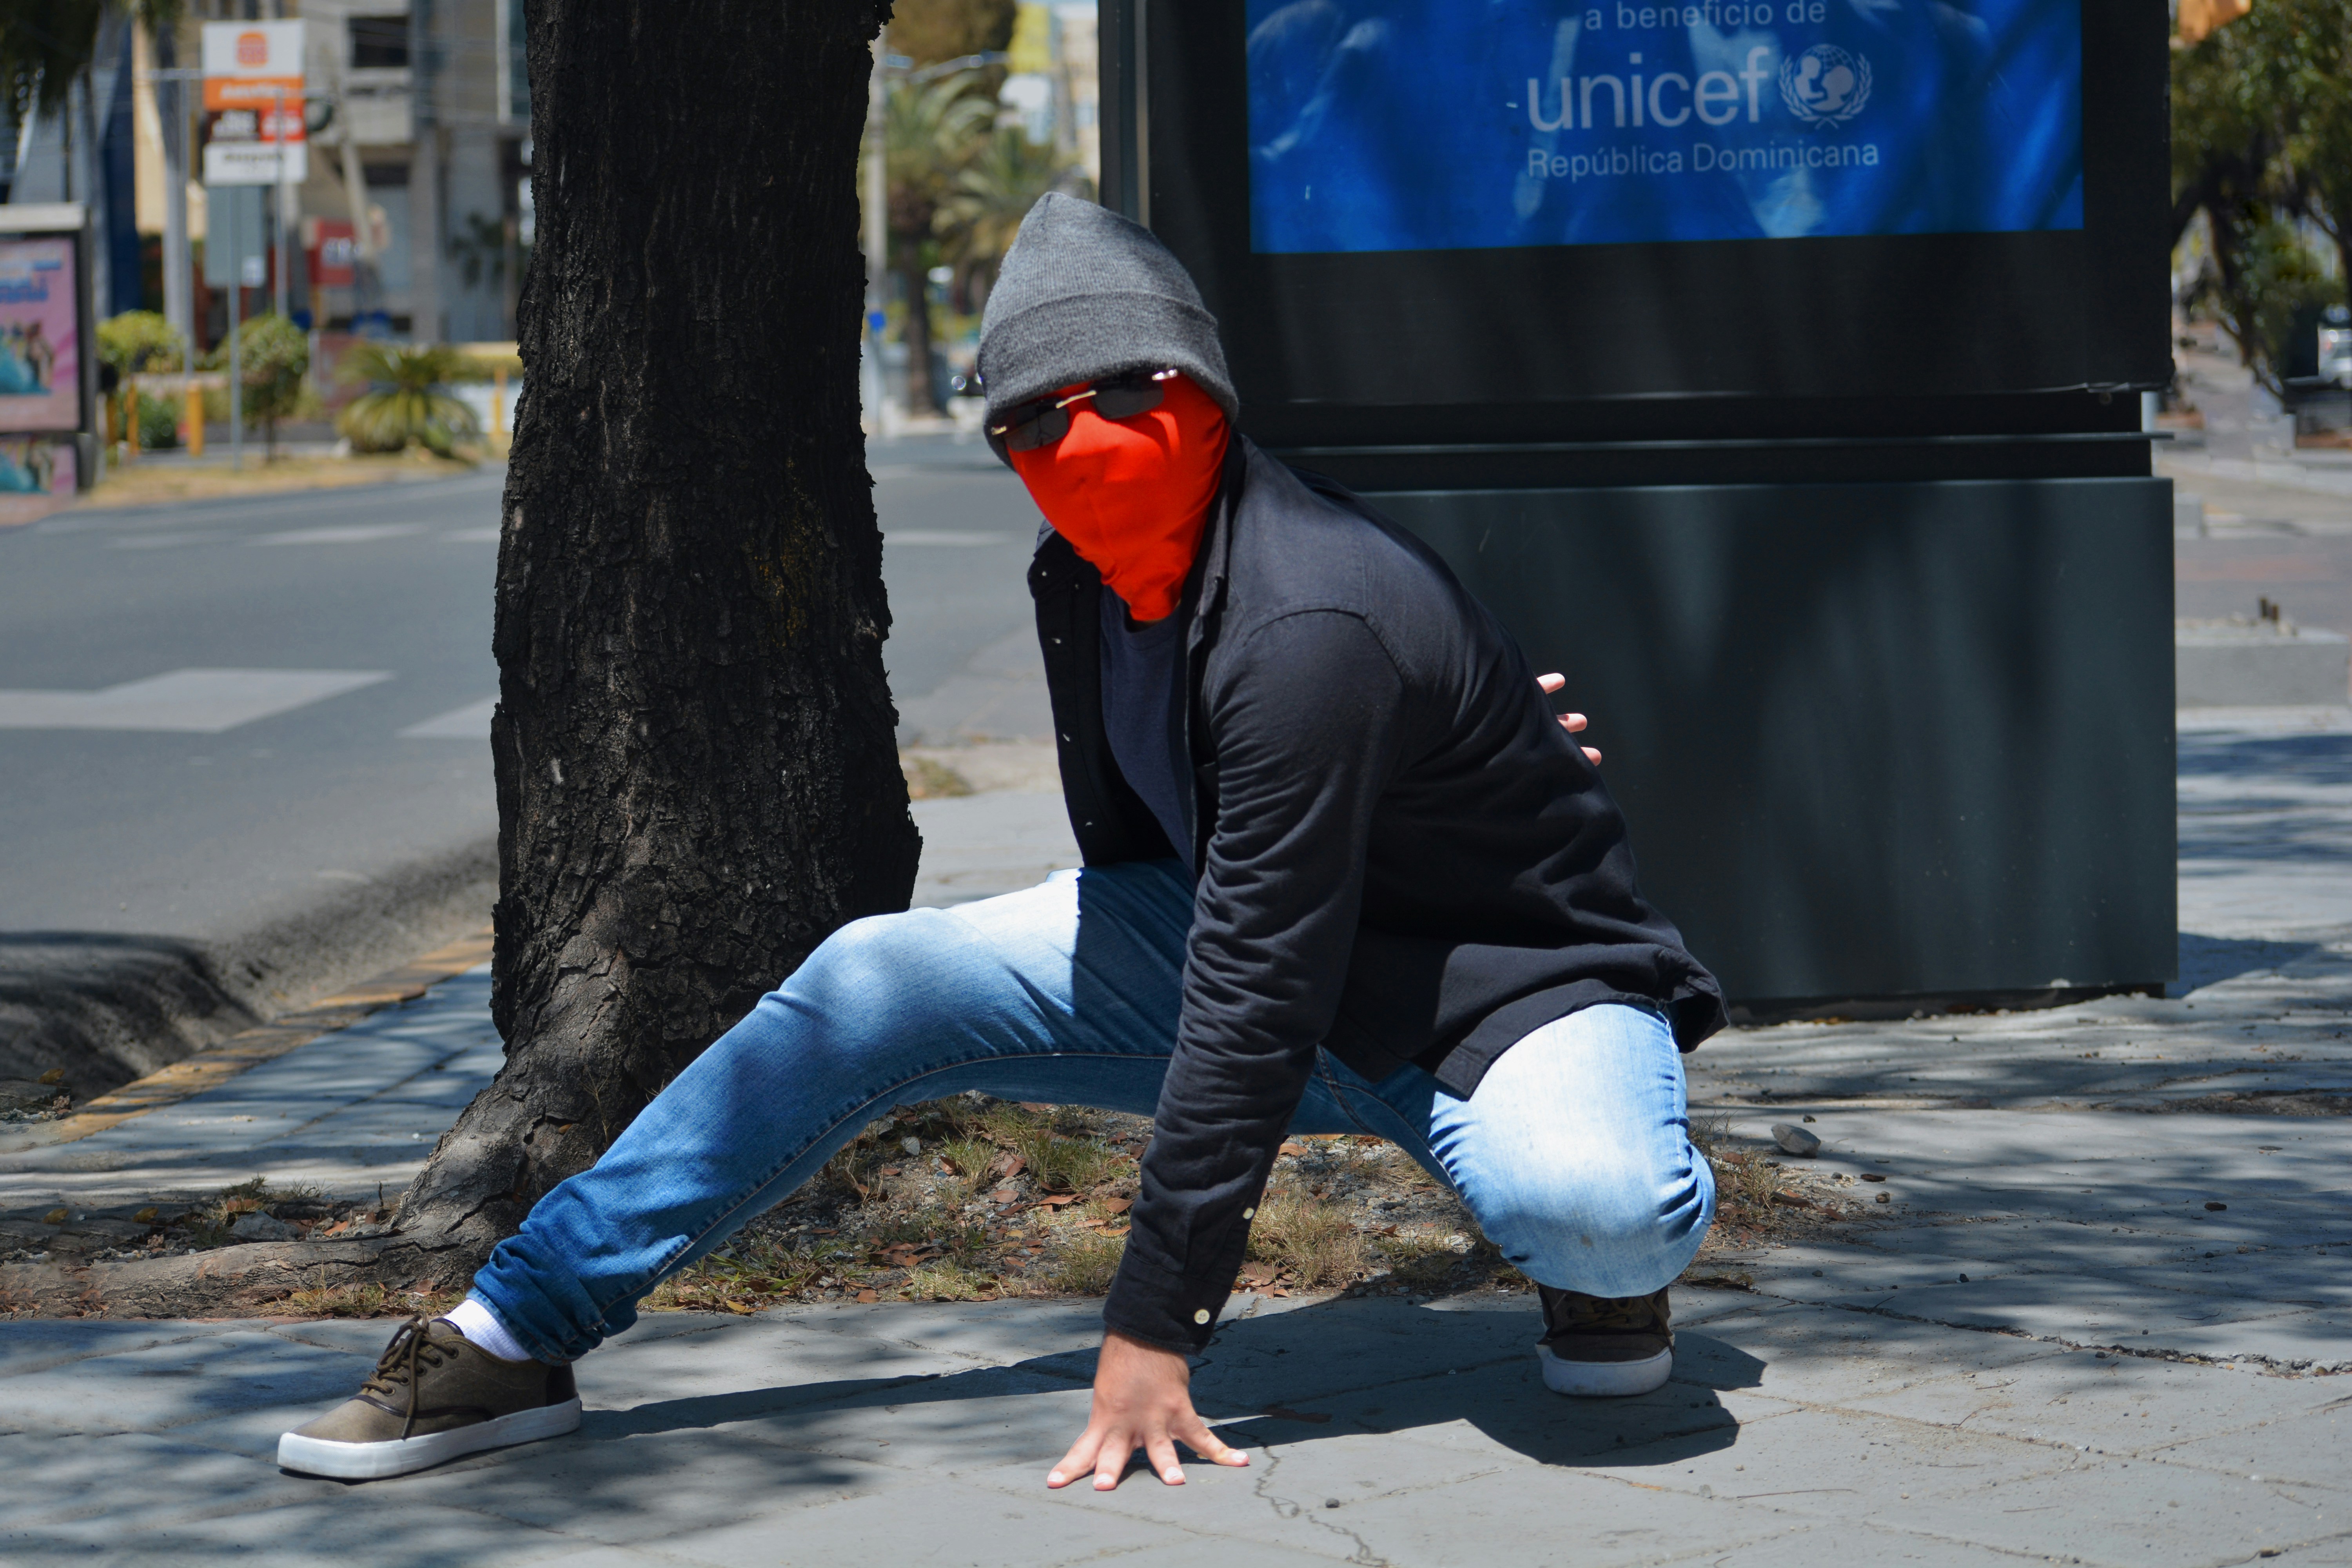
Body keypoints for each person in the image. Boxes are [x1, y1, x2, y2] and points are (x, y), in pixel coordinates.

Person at [278, 194, 1725, 1488]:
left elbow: (1254, 984)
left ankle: (1599, 1273)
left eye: (1128, 389)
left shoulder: (1310, 620)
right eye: (1035, 416)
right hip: (1256, 949)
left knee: (1595, 1209)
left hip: (1504, 989)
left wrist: (1159, 1322)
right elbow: (1199, 889)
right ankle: (511, 1330)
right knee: (871, 980)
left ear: (1210, 391)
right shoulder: (1088, 578)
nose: (1082, 437)